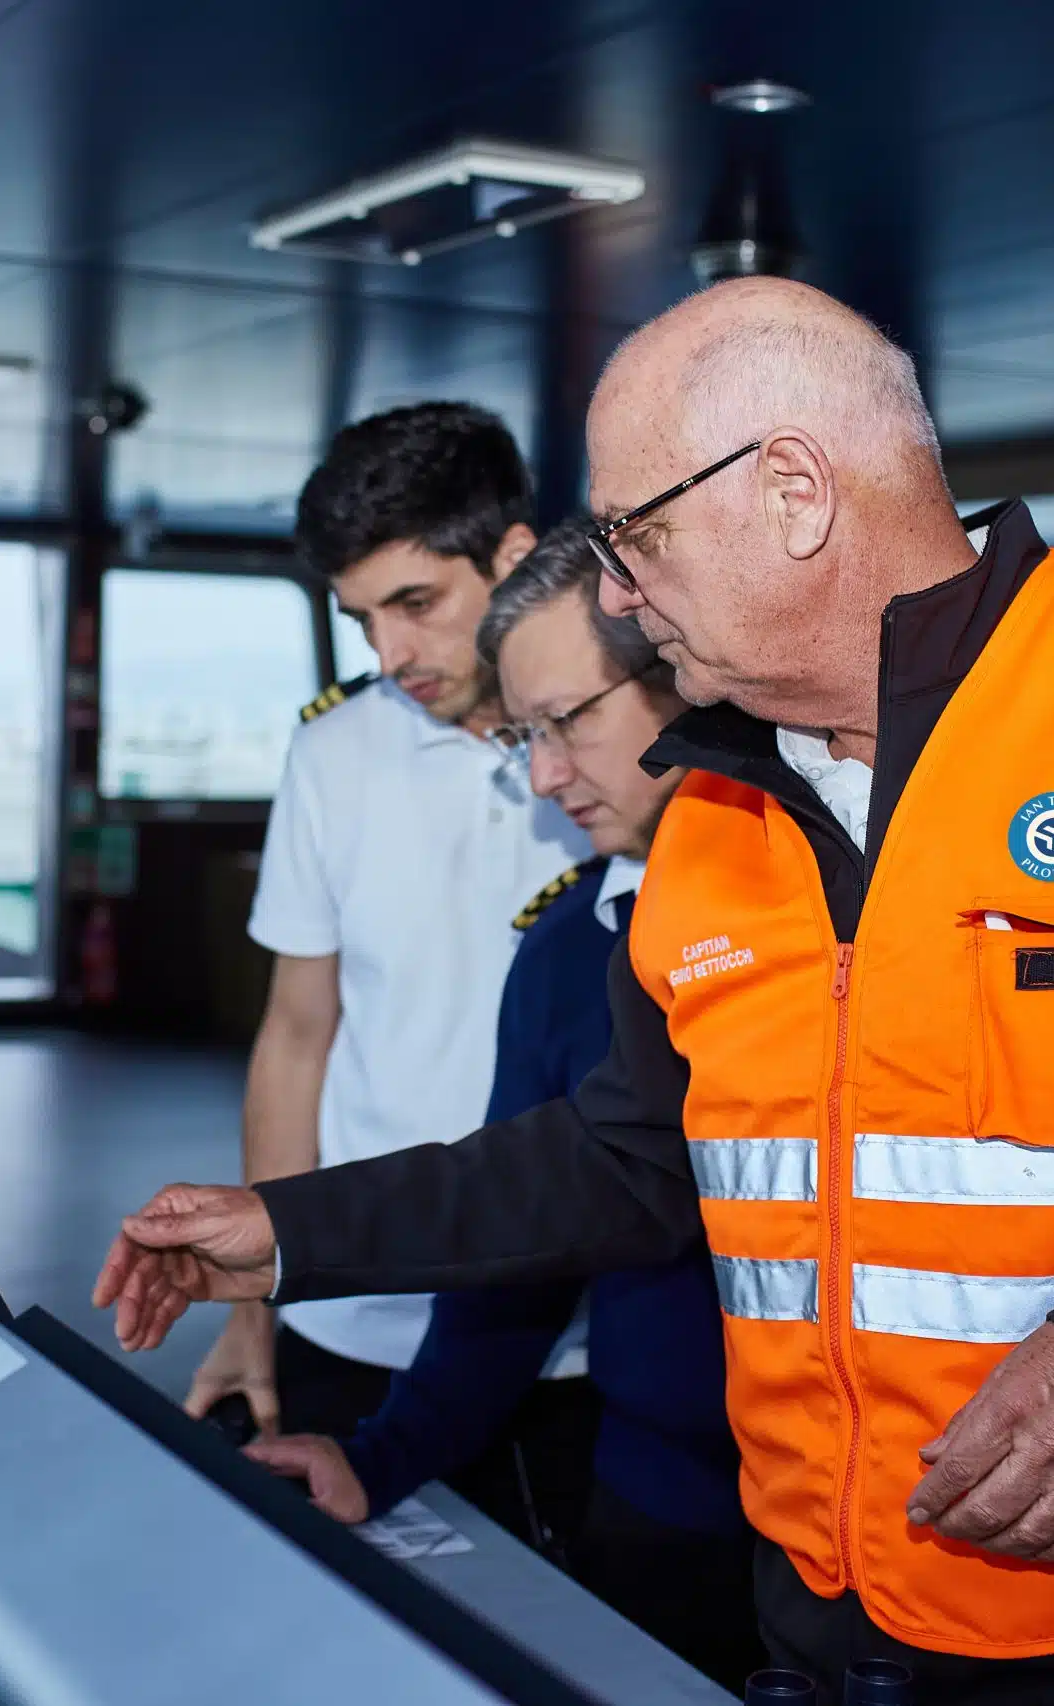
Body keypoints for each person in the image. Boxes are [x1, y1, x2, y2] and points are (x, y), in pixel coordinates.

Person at [96, 279, 1054, 1706]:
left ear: (795, 492)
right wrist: (290, 1229)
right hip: (826, 1624)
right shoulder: (719, 811)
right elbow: (621, 1159)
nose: (614, 592)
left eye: (635, 539)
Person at [247, 524, 764, 1687]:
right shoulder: (568, 952)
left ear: (684, 674)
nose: (541, 774)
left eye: (567, 722)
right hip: (654, 1505)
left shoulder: (843, 914)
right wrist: (379, 1458)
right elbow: (526, 1248)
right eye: (525, 736)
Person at [197, 401, 597, 1538]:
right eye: (362, 616)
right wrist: (259, 1296)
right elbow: (296, 1033)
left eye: (415, 604)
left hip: (579, 1336)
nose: (388, 655)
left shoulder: (626, 744)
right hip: (355, 1310)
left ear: (514, 557)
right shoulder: (333, 751)